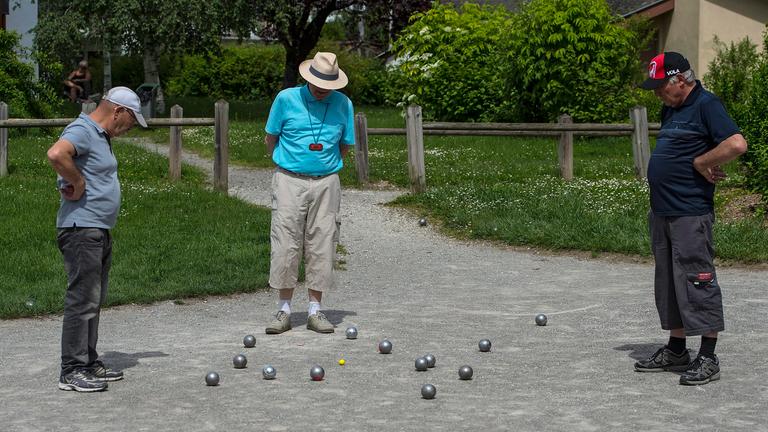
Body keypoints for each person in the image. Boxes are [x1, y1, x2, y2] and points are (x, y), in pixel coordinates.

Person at [634, 52, 748, 385]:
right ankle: (676, 349)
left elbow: (736, 144)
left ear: (681, 80)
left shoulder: (707, 105)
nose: (658, 93)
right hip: (663, 210)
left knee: (698, 279)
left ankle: (708, 356)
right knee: (669, 282)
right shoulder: (671, 108)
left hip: (690, 211)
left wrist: (702, 162)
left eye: (661, 86)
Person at [47, 86, 147, 392]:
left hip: (96, 228)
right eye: (131, 120)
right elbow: (56, 154)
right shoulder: (83, 130)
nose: (130, 127)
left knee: (93, 298)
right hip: (81, 229)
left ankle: (88, 361)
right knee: (82, 299)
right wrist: (77, 182)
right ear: (118, 111)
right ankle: (72, 369)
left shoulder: (99, 135)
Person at [263, 52, 355, 334]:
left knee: (323, 241)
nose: (322, 89)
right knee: (285, 241)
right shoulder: (286, 99)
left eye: (328, 84)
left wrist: (323, 167)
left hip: (327, 182)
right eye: (319, 83)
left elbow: (344, 145)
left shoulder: (343, 104)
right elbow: (271, 138)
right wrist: (288, 164)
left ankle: (315, 310)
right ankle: (284, 309)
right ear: (308, 77)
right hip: (289, 179)